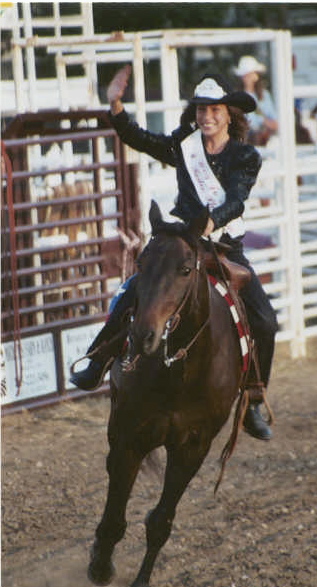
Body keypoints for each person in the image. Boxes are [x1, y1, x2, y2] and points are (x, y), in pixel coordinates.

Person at [70, 65, 278, 441]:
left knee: (264, 320)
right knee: (138, 287)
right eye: (201, 109)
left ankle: (254, 397)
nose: (207, 116)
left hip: (224, 242)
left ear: (229, 113)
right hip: (182, 238)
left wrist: (211, 223)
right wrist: (115, 103)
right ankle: (98, 358)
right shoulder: (186, 145)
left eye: (215, 109)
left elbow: (236, 199)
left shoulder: (245, 156)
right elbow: (141, 139)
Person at [234, 55, 278, 146]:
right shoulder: (236, 97)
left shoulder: (264, 95)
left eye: (250, 74)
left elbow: (275, 124)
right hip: (244, 140)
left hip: (264, 139)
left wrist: (263, 121)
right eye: (245, 75)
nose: (248, 77)